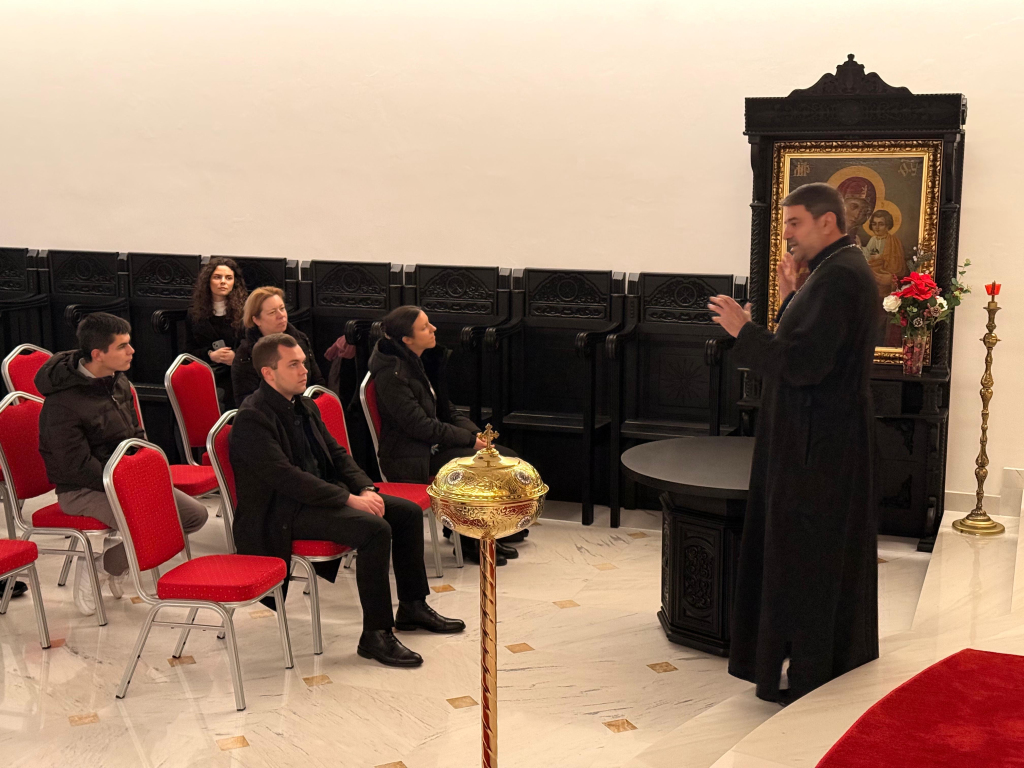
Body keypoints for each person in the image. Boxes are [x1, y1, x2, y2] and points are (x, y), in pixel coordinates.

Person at [707, 182, 879, 704]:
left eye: (795, 223)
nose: (787, 234)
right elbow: (812, 345)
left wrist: (744, 330)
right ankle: (817, 661)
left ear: (828, 221)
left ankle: (808, 671)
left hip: (815, 447)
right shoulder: (833, 271)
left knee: (804, 558)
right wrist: (789, 300)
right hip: (820, 436)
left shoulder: (839, 276)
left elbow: (804, 365)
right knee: (814, 554)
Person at [229, 333, 464, 667]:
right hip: (280, 513)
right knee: (374, 529)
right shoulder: (253, 417)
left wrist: (366, 489)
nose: (304, 370)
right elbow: (287, 478)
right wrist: (349, 499)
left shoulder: (304, 404)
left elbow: (338, 455)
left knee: (407, 513)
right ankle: (375, 634)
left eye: (303, 362)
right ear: (268, 373)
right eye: (293, 364)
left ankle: (412, 606)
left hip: (316, 498)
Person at [34, 313, 210, 616]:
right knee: (154, 524)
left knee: (194, 515)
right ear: (98, 354)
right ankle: (97, 568)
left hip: (125, 480)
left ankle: (108, 563)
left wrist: (144, 472)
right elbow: (75, 466)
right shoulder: (62, 404)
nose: (132, 351)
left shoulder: (117, 381)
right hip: (82, 490)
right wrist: (127, 485)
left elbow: (135, 434)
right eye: (122, 346)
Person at [366, 305, 526, 566]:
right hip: (409, 457)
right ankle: (471, 540)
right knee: (484, 467)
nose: (433, 329)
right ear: (407, 339)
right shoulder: (392, 374)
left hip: (429, 446)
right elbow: (420, 426)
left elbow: (446, 410)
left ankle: (481, 530)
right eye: (424, 327)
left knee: (507, 457)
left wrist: (475, 433)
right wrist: (469, 441)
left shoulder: (418, 361)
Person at [231, 286, 324, 406]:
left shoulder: (299, 339)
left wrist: (310, 408)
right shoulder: (246, 354)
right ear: (256, 320)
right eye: (272, 312)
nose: (281, 315)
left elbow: (317, 383)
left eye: (282, 308)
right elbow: (246, 400)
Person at [185, 257, 248, 408]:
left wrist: (236, 356)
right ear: (208, 281)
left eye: (228, 278)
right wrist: (210, 355)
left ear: (234, 282)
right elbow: (187, 352)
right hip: (209, 373)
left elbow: (254, 345)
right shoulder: (194, 314)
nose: (223, 282)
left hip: (238, 373)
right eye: (217, 277)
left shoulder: (245, 312)